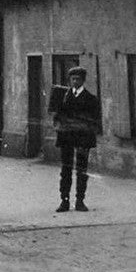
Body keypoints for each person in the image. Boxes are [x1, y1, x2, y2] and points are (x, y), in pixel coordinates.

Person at [54, 65, 101, 212]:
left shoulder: (91, 99)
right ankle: (64, 201)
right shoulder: (62, 97)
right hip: (66, 136)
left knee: (82, 170)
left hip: (83, 138)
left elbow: (94, 120)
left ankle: (80, 200)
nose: (75, 82)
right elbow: (56, 116)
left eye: (78, 79)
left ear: (83, 80)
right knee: (65, 169)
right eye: (72, 79)